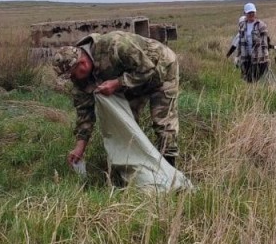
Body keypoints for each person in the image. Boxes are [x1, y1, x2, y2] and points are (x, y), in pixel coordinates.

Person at [52, 31, 180, 168]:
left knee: (162, 122)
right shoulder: (80, 80)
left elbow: (147, 68)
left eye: (72, 75)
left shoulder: (116, 44)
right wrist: (80, 147)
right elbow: (84, 112)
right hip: (132, 81)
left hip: (161, 68)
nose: (73, 79)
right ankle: (136, 168)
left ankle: (170, 170)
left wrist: (118, 83)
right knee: (124, 123)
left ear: (82, 64)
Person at [236, 3, 276, 83]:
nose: (251, 14)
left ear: (255, 12)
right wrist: (237, 56)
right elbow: (240, 43)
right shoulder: (242, 25)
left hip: (258, 58)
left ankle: (255, 94)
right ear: (245, 13)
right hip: (246, 57)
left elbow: (265, 43)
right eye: (249, 13)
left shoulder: (261, 25)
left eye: (252, 12)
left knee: (254, 79)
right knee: (247, 79)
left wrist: (266, 57)